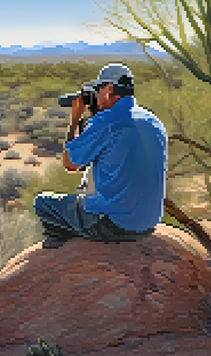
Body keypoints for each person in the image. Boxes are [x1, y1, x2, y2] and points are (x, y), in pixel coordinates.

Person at [33, 63, 168, 249]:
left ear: (109, 90)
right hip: (148, 222)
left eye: (98, 89)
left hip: (114, 224)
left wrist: (75, 119)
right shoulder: (154, 121)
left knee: (43, 203)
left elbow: (70, 164)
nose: (95, 96)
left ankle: (69, 247)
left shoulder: (105, 122)